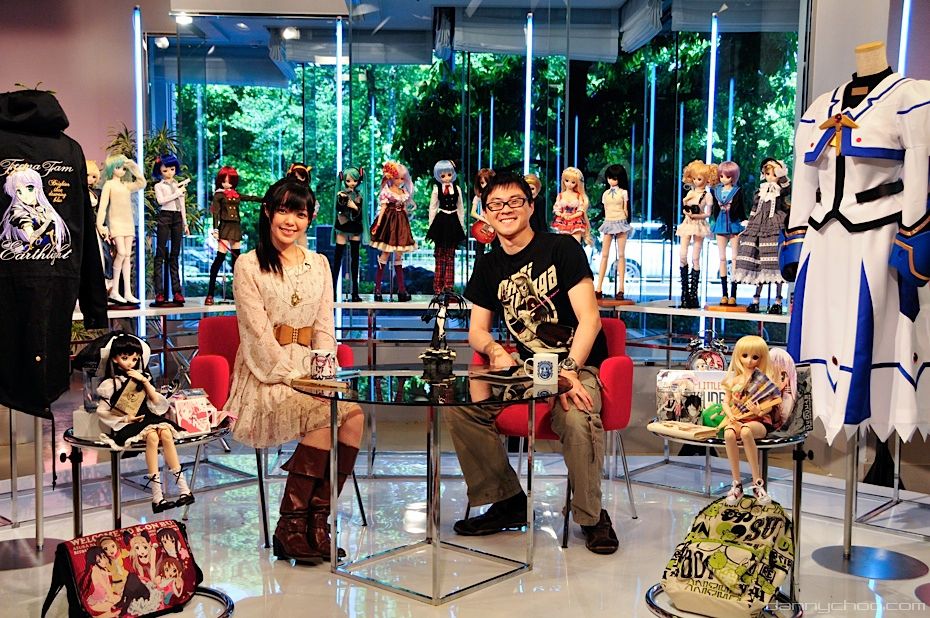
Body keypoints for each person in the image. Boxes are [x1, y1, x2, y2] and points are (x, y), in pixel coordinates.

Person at [447, 172, 619, 555]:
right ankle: (507, 500)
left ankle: (591, 516)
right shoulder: (488, 266)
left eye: (514, 202)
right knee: (461, 408)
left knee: (576, 416)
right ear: (486, 213)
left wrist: (570, 370)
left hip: (577, 364)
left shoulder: (561, 248)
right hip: (530, 370)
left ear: (530, 206)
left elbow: (590, 319)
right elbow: (477, 330)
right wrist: (494, 350)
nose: (505, 210)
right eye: (496, 204)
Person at [226, 179, 364, 565]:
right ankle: (290, 525)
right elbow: (256, 334)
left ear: (309, 219)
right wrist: (292, 375)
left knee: (353, 416)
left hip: (311, 367)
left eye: (300, 214)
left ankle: (318, 522)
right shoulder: (248, 264)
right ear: (268, 212)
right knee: (324, 413)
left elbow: (324, 326)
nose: (291, 221)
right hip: (266, 372)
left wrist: (324, 369)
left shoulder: (319, 264)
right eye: (284, 211)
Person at [95, 333, 192, 512]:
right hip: (128, 423)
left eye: (134, 359)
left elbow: (157, 403)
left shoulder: (142, 377)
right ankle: (157, 496)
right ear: (115, 359)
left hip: (148, 418)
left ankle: (184, 489)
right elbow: (102, 411)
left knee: (166, 433)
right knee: (153, 437)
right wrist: (125, 419)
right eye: (125, 358)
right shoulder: (110, 384)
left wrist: (144, 381)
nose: (130, 362)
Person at [720, 336, 783, 506]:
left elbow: (770, 405)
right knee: (728, 434)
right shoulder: (734, 380)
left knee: (746, 431)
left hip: (759, 421)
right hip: (737, 419)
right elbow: (725, 402)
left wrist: (758, 410)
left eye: (755, 357)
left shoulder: (763, 380)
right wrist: (730, 415)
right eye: (745, 355)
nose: (749, 361)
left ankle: (757, 483)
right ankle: (737, 483)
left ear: (762, 358)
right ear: (738, 356)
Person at [733, 158, 790, 313]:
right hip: (758, 225)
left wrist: (781, 174)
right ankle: (756, 299)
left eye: (773, 174)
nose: (770, 177)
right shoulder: (760, 191)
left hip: (774, 226)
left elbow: (787, 188)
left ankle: (778, 301)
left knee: (774, 262)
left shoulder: (779, 190)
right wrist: (749, 224)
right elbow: (754, 209)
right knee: (758, 262)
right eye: (768, 174)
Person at [205, 165, 261, 305]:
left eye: (230, 181)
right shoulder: (219, 195)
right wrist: (215, 229)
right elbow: (215, 213)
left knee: (237, 261)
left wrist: (265, 199)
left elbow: (250, 198)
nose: (227, 184)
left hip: (235, 227)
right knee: (220, 258)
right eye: (224, 181)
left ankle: (239, 293)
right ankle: (210, 293)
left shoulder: (235, 194)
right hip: (224, 227)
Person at [95, 156, 145, 304]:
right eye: (118, 167)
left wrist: (133, 167)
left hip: (128, 223)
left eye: (123, 168)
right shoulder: (109, 185)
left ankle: (127, 292)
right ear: (111, 169)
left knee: (127, 256)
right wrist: (100, 225)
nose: (121, 171)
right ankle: (114, 290)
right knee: (121, 253)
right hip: (115, 223)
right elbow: (103, 207)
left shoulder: (126, 185)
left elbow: (142, 183)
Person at [370, 161, 417, 301]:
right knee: (385, 254)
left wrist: (406, 225)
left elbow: (404, 210)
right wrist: (378, 224)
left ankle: (401, 290)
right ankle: (377, 289)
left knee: (398, 256)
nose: (400, 181)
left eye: (402, 178)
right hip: (389, 225)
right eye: (397, 178)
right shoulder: (387, 192)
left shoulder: (403, 192)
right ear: (390, 177)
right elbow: (383, 208)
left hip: (401, 225)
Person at [678, 160, 717, 308]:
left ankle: (693, 294)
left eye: (699, 179)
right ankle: (684, 292)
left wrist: (696, 215)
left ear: (707, 180)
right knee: (682, 254)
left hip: (699, 224)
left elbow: (708, 214)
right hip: (687, 223)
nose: (696, 181)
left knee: (695, 257)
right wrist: (686, 208)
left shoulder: (708, 196)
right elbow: (685, 207)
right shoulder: (690, 193)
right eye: (694, 178)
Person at [152, 153, 189, 305]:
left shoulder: (177, 184)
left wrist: (185, 223)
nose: (169, 173)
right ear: (160, 171)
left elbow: (182, 205)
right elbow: (161, 201)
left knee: (175, 255)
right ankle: (159, 292)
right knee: (160, 254)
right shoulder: (158, 186)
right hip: (165, 216)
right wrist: (176, 194)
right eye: (165, 170)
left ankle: (177, 291)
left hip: (177, 217)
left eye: (172, 169)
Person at [426, 159, 466, 293]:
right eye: (443, 175)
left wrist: (461, 226)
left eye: (449, 174)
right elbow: (432, 208)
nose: (447, 178)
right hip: (441, 223)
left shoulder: (457, 189)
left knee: (450, 255)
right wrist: (431, 226)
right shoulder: (436, 190)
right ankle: (438, 287)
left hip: (453, 223)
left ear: (453, 174)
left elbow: (460, 208)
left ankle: (448, 287)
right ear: (438, 176)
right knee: (439, 255)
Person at [595, 164, 633, 300]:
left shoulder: (623, 192)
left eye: (614, 178)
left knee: (621, 255)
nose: (611, 180)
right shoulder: (605, 194)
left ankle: (621, 288)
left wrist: (626, 220)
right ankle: (598, 287)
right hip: (608, 222)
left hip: (620, 222)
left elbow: (626, 208)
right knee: (604, 255)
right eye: (609, 178)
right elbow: (605, 209)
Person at [711, 160, 746, 305]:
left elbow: (741, 208)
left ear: (733, 177)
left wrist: (744, 221)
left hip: (734, 224)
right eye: (721, 176)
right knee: (722, 258)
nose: (724, 179)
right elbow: (715, 208)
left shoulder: (737, 191)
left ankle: (733, 294)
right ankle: (724, 294)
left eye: (727, 176)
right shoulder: (716, 191)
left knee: (735, 258)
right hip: (720, 225)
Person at [331, 166, 365, 302]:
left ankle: (355, 292)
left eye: (355, 181)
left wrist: (355, 207)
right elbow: (338, 208)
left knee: (355, 261)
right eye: (349, 181)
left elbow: (360, 214)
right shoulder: (341, 194)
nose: (352, 183)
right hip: (343, 225)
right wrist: (345, 202)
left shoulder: (359, 195)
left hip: (355, 226)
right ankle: (332, 291)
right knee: (338, 259)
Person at [551, 166, 592, 245]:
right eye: (567, 181)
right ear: (563, 180)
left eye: (573, 182)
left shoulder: (578, 196)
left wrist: (572, 216)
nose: (569, 184)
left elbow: (581, 210)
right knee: (563, 244)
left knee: (575, 244)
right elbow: (556, 210)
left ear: (577, 183)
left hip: (576, 222)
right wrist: (562, 215)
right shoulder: (560, 195)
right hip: (563, 222)